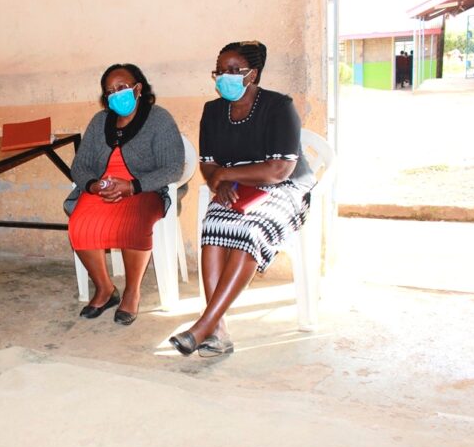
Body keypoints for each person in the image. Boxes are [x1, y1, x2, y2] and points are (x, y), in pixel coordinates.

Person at [169, 41, 315, 357]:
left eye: (235, 70)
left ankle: (203, 327)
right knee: (213, 224)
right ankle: (218, 331)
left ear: (253, 74)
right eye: (220, 71)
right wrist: (218, 181)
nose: (226, 76)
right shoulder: (213, 111)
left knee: (249, 231)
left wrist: (225, 175)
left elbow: (279, 169)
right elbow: (209, 164)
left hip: (284, 189)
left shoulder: (279, 106)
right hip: (236, 188)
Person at [65, 63, 184, 326]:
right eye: (110, 91)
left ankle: (132, 292)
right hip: (103, 189)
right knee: (79, 224)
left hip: (144, 189)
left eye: (122, 87)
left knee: (133, 224)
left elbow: (173, 168)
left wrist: (132, 186)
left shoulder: (158, 119)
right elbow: (79, 166)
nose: (116, 94)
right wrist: (93, 185)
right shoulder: (99, 122)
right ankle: (105, 289)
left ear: (138, 89)